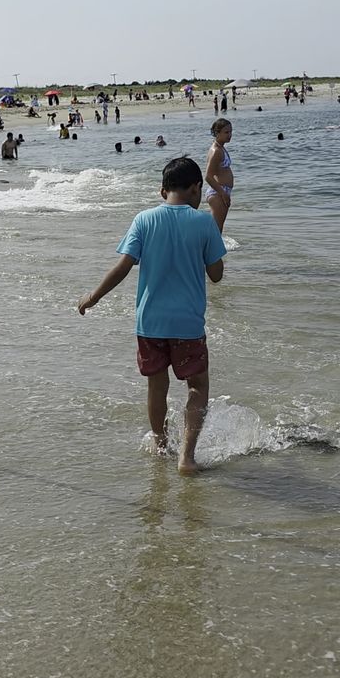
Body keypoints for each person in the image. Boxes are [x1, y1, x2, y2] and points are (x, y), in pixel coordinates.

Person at [79, 156, 225, 474]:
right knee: (197, 386)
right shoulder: (204, 223)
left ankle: (160, 444)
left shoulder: (144, 220)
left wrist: (93, 296)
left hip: (150, 323)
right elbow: (216, 274)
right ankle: (186, 458)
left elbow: (122, 267)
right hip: (187, 324)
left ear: (163, 191)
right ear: (197, 188)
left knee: (156, 387)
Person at [204, 118, 234, 233]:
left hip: (222, 191)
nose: (229, 135)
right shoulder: (216, 151)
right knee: (216, 230)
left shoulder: (221, 148)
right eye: (226, 132)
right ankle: (210, 250)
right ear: (217, 133)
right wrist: (223, 193)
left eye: (231, 132)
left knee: (218, 229)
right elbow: (208, 176)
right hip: (218, 192)